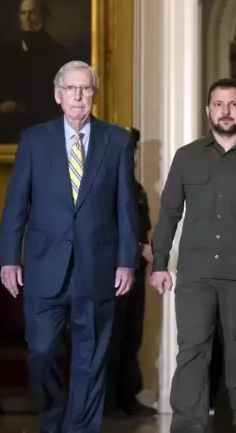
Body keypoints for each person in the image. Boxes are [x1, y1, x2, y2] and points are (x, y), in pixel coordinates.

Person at [0, 60, 139, 433]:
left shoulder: (117, 140)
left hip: (98, 267)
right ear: (58, 95)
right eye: (71, 89)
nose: (78, 96)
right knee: (41, 353)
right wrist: (9, 260)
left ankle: (80, 429)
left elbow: (126, 207)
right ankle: (53, 417)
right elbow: (16, 205)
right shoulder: (34, 139)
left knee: (91, 361)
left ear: (94, 94)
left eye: (85, 89)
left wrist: (127, 261)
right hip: (45, 269)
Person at [149, 78, 236, 433]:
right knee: (193, 354)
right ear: (208, 109)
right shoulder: (187, 157)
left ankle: (233, 428)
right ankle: (188, 428)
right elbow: (168, 214)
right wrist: (160, 264)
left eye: (233, 104)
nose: (225, 112)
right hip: (195, 276)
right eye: (218, 104)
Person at [106, 127, 156, 417]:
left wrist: (146, 248)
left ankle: (127, 395)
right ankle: (107, 400)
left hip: (136, 274)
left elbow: (142, 227)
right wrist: (136, 248)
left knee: (131, 334)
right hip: (110, 275)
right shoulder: (104, 186)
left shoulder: (136, 189)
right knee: (111, 337)